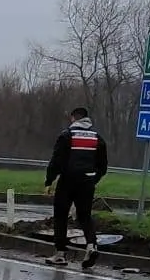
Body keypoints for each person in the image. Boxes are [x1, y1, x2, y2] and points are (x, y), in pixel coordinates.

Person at [44, 105, 107, 269]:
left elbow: (56, 160)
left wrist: (49, 181)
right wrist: (93, 179)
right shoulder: (97, 138)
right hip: (87, 181)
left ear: (73, 118)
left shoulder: (67, 135)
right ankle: (91, 246)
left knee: (61, 215)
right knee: (85, 215)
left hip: (68, 180)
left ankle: (60, 254)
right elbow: (103, 165)